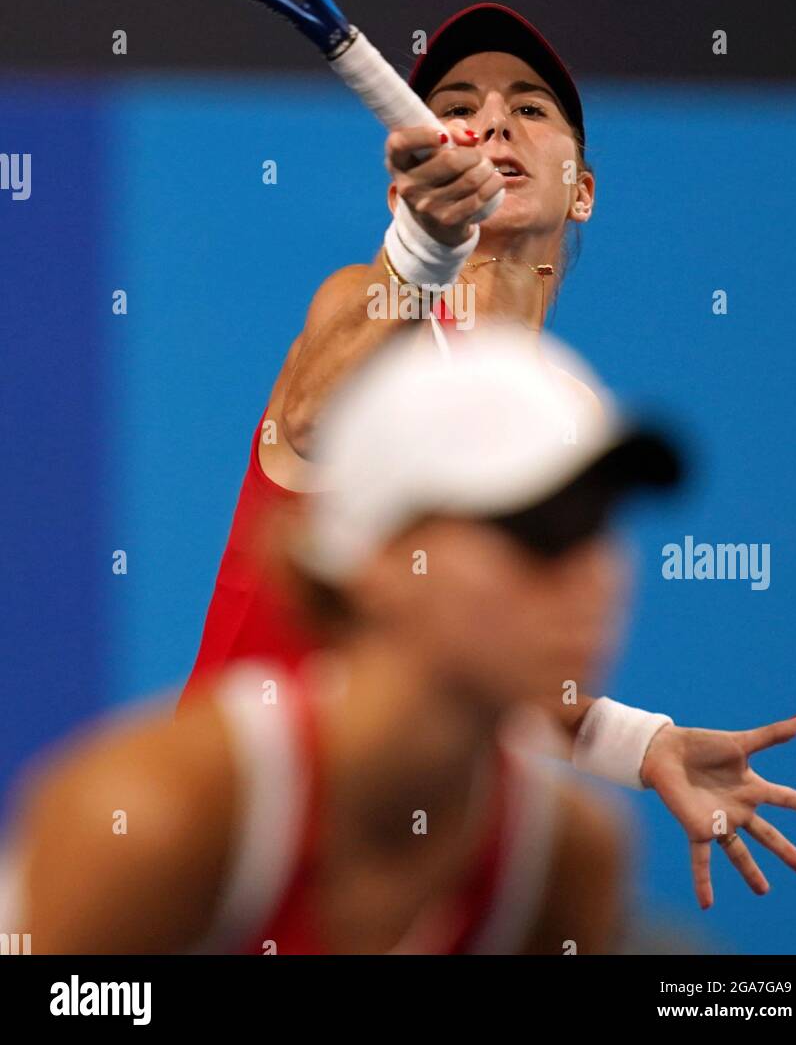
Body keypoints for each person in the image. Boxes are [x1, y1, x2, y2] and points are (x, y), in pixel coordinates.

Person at [182, 4, 796, 909]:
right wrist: (424, 249)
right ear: (409, 185)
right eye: (457, 104)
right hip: (236, 854)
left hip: (416, 880)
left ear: (583, 190)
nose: (492, 120)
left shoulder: (571, 412)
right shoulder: (370, 309)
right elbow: (321, 416)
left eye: (530, 106)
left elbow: (486, 663)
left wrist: (645, 745)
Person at [1, 331, 679, 955]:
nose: (588, 577)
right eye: (538, 528)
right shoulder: (153, 816)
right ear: (377, 560)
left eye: (600, 526)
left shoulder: (568, 860)